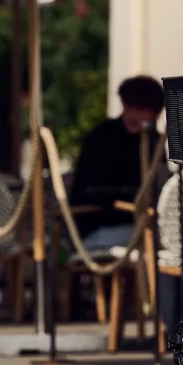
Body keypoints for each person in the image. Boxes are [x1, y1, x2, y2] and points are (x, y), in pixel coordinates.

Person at [70, 76, 163, 253]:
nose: (133, 114)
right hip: (99, 229)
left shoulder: (154, 142)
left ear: (156, 114)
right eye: (129, 107)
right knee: (158, 242)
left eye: (140, 109)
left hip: (137, 225)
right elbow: (85, 192)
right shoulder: (101, 138)